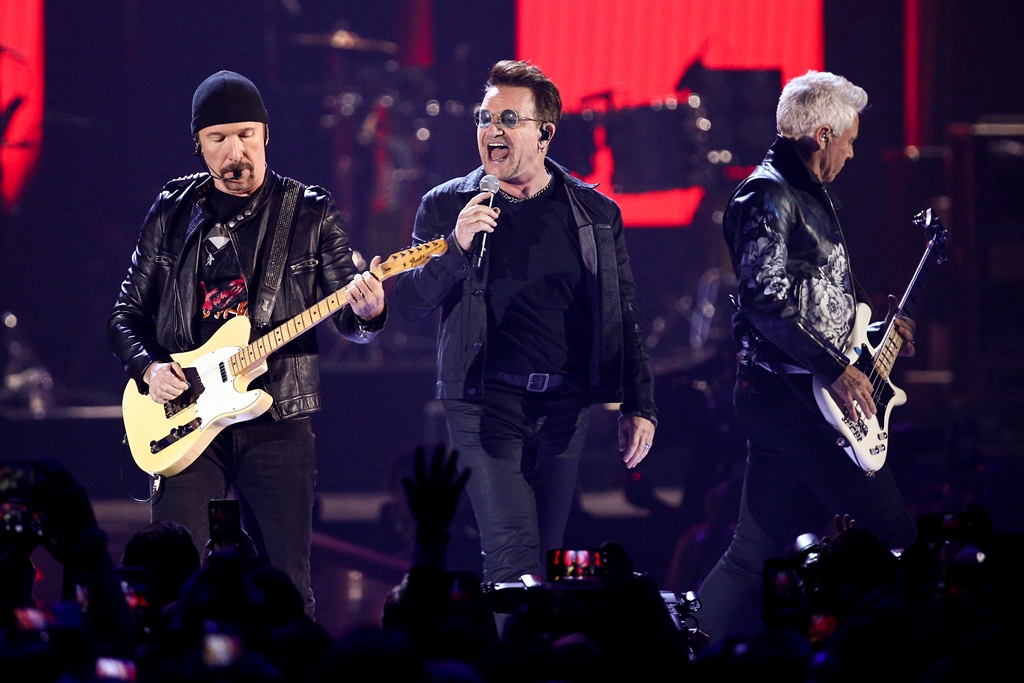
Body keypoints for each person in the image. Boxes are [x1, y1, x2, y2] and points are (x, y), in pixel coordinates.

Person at [107, 70, 387, 619]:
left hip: (277, 417)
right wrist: (149, 369)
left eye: (246, 135)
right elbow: (125, 315)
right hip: (186, 417)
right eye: (219, 138)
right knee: (172, 582)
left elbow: (347, 317)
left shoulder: (309, 211)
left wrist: (369, 312)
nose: (236, 152)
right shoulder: (171, 210)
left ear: (265, 134)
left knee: (287, 587)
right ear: (199, 144)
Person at [392, 60, 658, 632]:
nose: (492, 130)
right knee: (513, 561)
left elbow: (623, 312)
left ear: (545, 133)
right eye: (484, 118)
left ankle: (535, 660)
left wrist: (639, 403)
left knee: (549, 563)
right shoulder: (447, 205)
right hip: (484, 403)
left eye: (509, 119)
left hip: (564, 407)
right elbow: (409, 302)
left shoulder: (594, 213)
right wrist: (456, 246)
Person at [695, 70, 918, 645]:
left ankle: (686, 648)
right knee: (893, 531)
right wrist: (834, 367)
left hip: (793, 393)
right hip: (792, 396)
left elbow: (824, 295)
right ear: (823, 134)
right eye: (849, 140)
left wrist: (878, 330)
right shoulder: (766, 196)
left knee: (751, 549)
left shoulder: (810, 194)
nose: (852, 152)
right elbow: (766, 301)